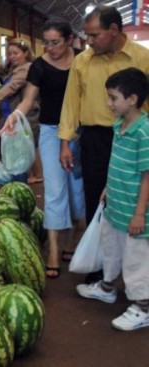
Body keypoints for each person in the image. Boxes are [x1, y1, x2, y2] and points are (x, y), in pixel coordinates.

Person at [58, 5, 149, 284]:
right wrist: (65, 142)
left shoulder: (142, 58)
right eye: (86, 35)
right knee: (97, 201)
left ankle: (140, 271)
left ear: (113, 30)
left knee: (139, 202)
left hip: (136, 138)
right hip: (95, 139)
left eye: (94, 35)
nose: (89, 41)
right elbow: (71, 102)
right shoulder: (82, 61)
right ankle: (101, 270)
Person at [1, 18, 85, 279]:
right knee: (54, 189)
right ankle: (54, 249)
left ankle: (73, 239)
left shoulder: (84, 59)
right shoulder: (39, 66)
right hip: (51, 131)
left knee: (77, 189)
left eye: (55, 42)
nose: (49, 48)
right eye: (46, 43)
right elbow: (28, 99)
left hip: (82, 132)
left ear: (69, 40)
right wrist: (15, 115)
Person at [76, 67, 149, 331]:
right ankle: (107, 286)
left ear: (132, 99)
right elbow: (118, 162)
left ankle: (143, 306)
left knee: (136, 260)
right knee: (111, 248)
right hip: (115, 206)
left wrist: (140, 213)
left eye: (113, 98)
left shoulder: (144, 131)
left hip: (134, 212)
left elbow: (146, 176)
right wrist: (108, 186)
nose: (108, 103)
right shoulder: (120, 125)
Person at [0, 38, 41, 184]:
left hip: (25, 115)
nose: (12, 57)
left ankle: (35, 177)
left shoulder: (27, 68)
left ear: (25, 53)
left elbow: (10, 88)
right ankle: (26, 176)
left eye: (15, 53)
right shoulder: (15, 69)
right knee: (21, 148)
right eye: (9, 54)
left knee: (28, 146)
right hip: (12, 114)